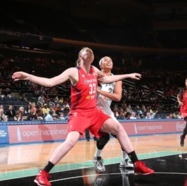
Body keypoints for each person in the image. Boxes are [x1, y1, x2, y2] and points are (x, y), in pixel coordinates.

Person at [12, 47, 154, 186]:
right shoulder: (74, 71)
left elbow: (107, 79)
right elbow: (50, 82)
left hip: (94, 111)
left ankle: (136, 164)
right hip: (79, 113)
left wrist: (127, 75)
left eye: (91, 51)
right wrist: (28, 76)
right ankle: (42, 173)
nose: (90, 51)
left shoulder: (94, 70)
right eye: (86, 51)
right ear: (81, 56)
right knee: (70, 141)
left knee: (118, 128)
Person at [93, 56, 133, 172]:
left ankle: (124, 160)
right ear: (100, 65)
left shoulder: (116, 79)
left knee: (123, 136)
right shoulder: (94, 77)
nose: (109, 61)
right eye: (105, 60)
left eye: (110, 60)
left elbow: (118, 97)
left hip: (107, 111)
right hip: (94, 110)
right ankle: (97, 157)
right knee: (105, 136)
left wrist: (100, 91)